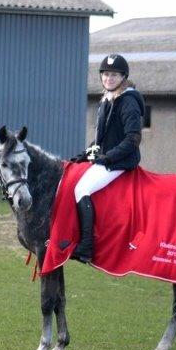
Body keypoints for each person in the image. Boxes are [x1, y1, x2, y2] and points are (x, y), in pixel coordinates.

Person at [71, 54, 145, 264]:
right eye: (105, 74)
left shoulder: (128, 102)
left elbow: (133, 139)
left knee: (81, 189)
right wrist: (84, 155)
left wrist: (107, 158)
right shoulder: (106, 100)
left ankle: (86, 247)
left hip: (121, 161)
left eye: (114, 75)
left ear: (123, 77)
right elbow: (100, 139)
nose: (109, 78)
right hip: (106, 158)